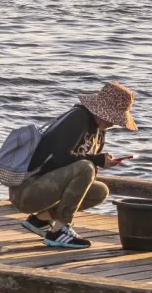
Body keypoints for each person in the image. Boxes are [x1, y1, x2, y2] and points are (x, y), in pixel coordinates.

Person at [10, 81, 137, 248]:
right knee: (86, 167)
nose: (114, 124)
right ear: (102, 111)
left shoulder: (98, 131)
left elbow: (78, 165)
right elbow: (61, 157)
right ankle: (59, 230)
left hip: (44, 189)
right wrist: (98, 160)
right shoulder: (78, 118)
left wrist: (102, 160)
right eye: (113, 118)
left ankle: (40, 221)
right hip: (26, 191)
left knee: (99, 191)